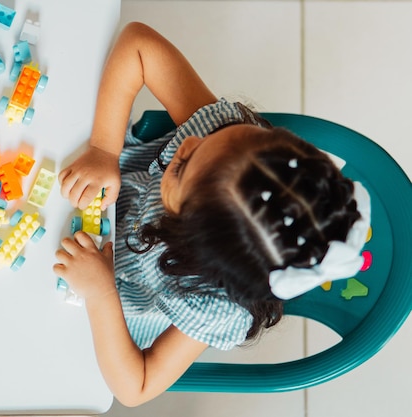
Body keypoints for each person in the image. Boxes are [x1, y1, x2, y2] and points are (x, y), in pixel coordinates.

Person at [53, 22, 370, 407]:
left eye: (181, 166)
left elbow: (135, 386)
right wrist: (104, 149)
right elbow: (137, 45)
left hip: (91, 313)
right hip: (87, 184)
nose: (186, 141)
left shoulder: (216, 305)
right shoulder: (224, 142)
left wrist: (101, 293)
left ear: (192, 241)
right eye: (211, 139)